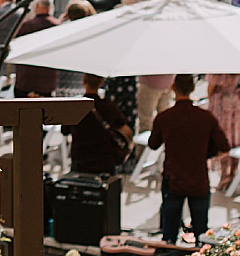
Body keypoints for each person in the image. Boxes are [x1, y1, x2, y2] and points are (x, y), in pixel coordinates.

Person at [149, 74, 229, 246]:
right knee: (202, 234)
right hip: (198, 177)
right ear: (193, 89)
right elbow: (225, 147)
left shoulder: (165, 117)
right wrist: (207, 154)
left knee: (169, 235)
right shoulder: (205, 117)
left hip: (173, 178)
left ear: (173, 88)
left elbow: (153, 144)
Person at [68, 72, 134, 176]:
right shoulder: (109, 106)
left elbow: (65, 130)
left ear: (83, 82)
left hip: (80, 159)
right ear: (101, 83)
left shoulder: (74, 107)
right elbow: (122, 125)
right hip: (104, 159)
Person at [12, 0, 59, 97]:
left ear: (37, 6)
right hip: (47, 81)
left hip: (26, 80)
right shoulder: (57, 26)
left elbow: (14, 44)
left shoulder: (27, 25)